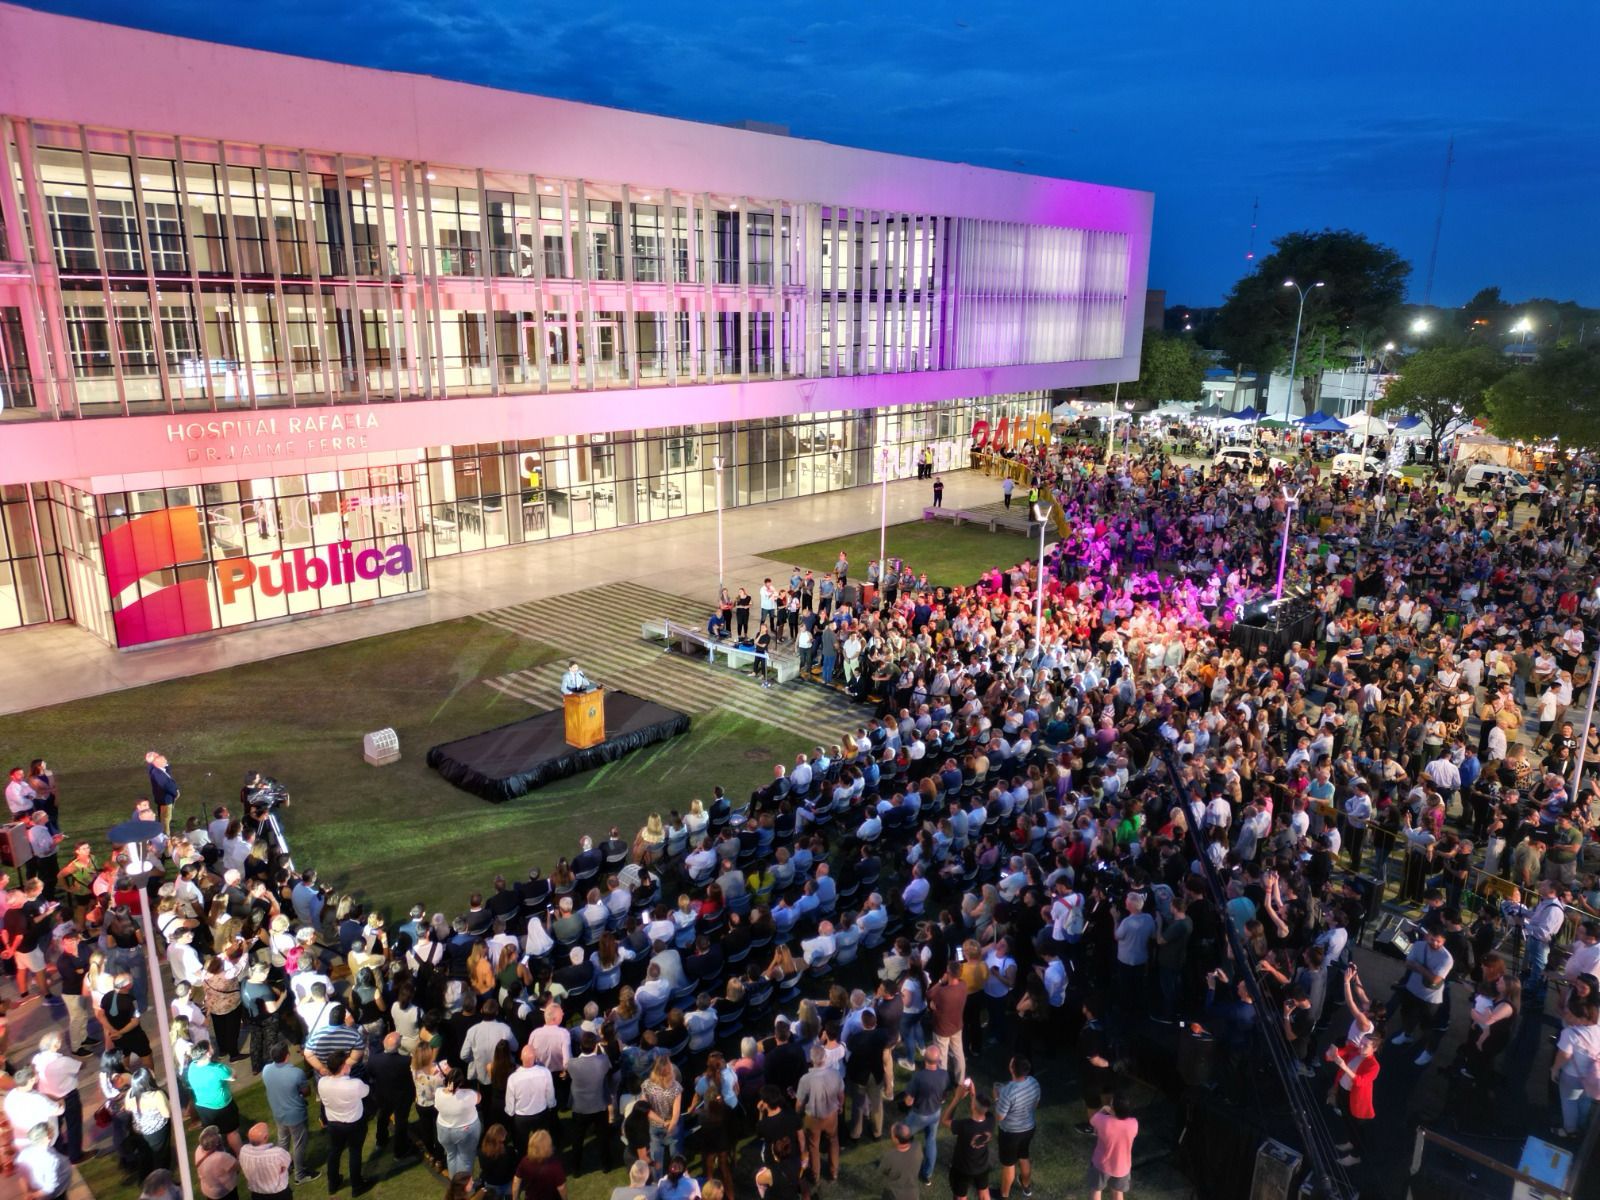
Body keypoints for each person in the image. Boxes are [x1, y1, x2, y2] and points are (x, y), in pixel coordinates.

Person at [261, 1042, 318, 1185]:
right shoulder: (296, 1073)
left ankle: (284, 1168)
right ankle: (300, 1175)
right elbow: (306, 1092)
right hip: (296, 1115)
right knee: (299, 1144)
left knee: (283, 1142)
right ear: (287, 1055)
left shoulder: (266, 1070)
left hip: (278, 1113)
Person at [318, 1049, 371, 1194]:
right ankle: (357, 1186)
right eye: (347, 1063)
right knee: (355, 1152)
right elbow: (366, 1091)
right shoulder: (354, 1084)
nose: (349, 1065)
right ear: (342, 1067)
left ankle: (333, 1183)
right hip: (354, 1123)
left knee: (334, 1151)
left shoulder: (322, 1082)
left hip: (334, 1124)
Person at [1325, 1035, 1380, 1166]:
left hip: (1356, 1100)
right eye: (1361, 1043)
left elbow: (1360, 1082)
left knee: (1357, 1129)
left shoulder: (1374, 1066)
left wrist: (1344, 1066)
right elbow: (1330, 1057)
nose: (1361, 1046)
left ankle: (1356, 1156)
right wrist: (1332, 1052)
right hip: (1343, 1092)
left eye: (1365, 1045)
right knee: (1347, 1121)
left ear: (1374, 1049)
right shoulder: (1355, 1051)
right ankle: (1351, 1143)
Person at [796, 1042, 844, 1183]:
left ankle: (815, 1176)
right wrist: (840, 1106)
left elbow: (799, 1103)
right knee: (833, 1141)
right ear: (825, 1058)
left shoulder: (805, 1079)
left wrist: (798, 1114)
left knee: (813, 1146)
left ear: (811, 1060)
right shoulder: (835, 1074)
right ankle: (834, 1172)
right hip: (831, 1115)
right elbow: (841, 1094)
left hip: (813, 1118)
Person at [900, 1044, 948, 1186]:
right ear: (938, 1060)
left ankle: (904, 1168)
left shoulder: (919, 1077)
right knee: (931, 1140)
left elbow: (908, 1101)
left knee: (903, 1137)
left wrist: (907, 1099)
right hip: (935, 1112)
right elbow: (944, 1094)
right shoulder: (944, 1074)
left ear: (925, 1059)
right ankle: (927, 1175)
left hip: (919, 1115)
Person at [941, 1077, 996, 1200]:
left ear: (973, 1106)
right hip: (982, 1166)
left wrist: (956, 1098)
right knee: (984, 1193)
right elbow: (978, 1108)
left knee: (960, 1197)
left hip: (963, 1169)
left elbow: (944, 1120)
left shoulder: (965, 1126)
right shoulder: (991, 1119)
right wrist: (973, 1093)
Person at [994, 1056, 1039, 1200]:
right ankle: (1026, 1186)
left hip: (1010, 1133)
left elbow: (999, 1117)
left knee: (1008, 1164)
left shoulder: (1008, 1091)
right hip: (1028, 1128)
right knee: (1023, 1156)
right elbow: (1035, 1105)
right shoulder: (1034, 1082)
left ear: (1012, 1069)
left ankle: (1004, 1195)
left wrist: (997, 1098)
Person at [435, 1065, 484, 1181]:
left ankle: (455, 1184)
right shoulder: (468, 1095)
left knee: (451, 1156)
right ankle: (464, 1186)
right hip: (465, 1131)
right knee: (465, 1159)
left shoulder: (438, 1092)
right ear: (461, 1082)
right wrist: (465, 1089)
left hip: (444, 1130)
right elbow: (479, 1098)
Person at [1088, 1093, 1138, 1200]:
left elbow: (1092, 1120)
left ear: (1113, 1109)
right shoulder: (1134, 1124)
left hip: (1101, 1164)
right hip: (1122, 1167)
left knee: (1096, 1190)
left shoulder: (1102, 1120)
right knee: (1118, 1192)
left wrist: (1103, 1109)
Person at [237, 1122, 293, 1200]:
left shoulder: (244, 1150)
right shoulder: (277, 1153)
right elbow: (287, 1162)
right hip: (279, 1194)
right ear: (266, 1137)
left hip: (257, 1194)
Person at [17, 1122, 70, 1200]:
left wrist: (27, 1193)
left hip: (38, 1191)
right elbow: (50, 1187)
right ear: (47, 1138)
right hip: (54, 1194)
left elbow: (22, 1177)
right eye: (51, 1132)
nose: (53, 1134)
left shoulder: (23, 1154)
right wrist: (33, 1196)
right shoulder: (51, 1159)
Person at [512, 1127, 568, 1200]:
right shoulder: (555, 1165)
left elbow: (516, 1181)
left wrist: (515, 1198)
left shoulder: (525, 1161)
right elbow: (561, 1187)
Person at [878, 1122, 924, 1200]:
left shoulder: (890, 1156)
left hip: (894, 1195)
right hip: (913, 1194)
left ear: (896, 1139)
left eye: (891, 1134)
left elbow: (882, 1171)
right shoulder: (917, 1146)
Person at [194, 1125, 240, 1200]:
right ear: (216, 1144)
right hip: (224, 1191)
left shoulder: (198, 1149)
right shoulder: (221, 1157)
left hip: (208, 1191)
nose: (219, 1136)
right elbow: (237, 1167)